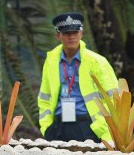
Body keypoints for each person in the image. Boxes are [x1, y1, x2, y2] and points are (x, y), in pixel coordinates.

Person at [37, 12, 118, 142]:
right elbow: (44, 97)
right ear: (58, 35)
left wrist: (103, 128)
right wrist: (46, 127)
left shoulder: (97, 62)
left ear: (81, 34)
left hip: (89, 126)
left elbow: (113, 98)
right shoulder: (51, 61)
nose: (72, 37)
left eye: (75, 32)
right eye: (67, 33)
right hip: (58, 127)